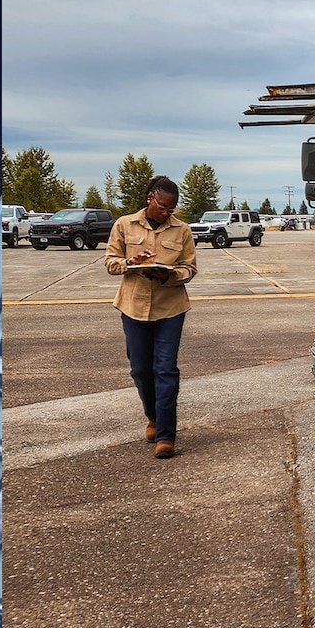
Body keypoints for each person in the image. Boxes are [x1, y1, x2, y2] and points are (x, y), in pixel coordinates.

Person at [104, 175, 199, 458]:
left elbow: (189, 269)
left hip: (170, 308)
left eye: (172, 208)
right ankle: (154, 417)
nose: (167, 212)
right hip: (133, 307)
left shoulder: (182, 231)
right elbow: (110, 263)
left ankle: (166, 436)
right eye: (162, 206)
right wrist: (129, 263)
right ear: (150, 199)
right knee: (141, 370)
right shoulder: (124, 225)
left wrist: (167, 274)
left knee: (166, 369)